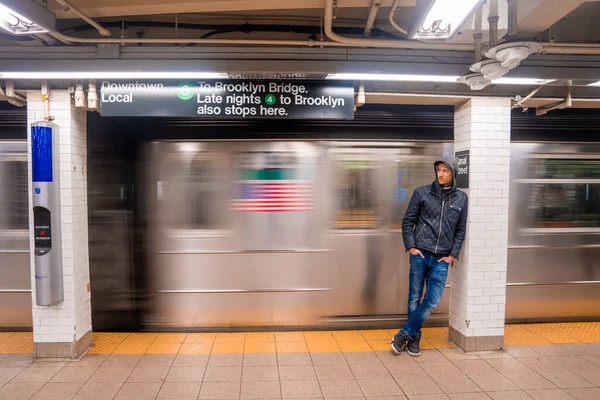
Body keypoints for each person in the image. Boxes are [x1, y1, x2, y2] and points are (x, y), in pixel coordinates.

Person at [391, 156, 468, 357]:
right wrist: (412, 247)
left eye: (445, 171)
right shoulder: (422, 193)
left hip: (442, 259)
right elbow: (408, 222)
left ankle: (404, 334)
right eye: (439, 170)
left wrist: (453, 255)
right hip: (420, 255)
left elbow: (460, 230)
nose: (440, 174)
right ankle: (414, 339)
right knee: (414, 297)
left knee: (432, 301)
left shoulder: (461, 199)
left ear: (453, 174)